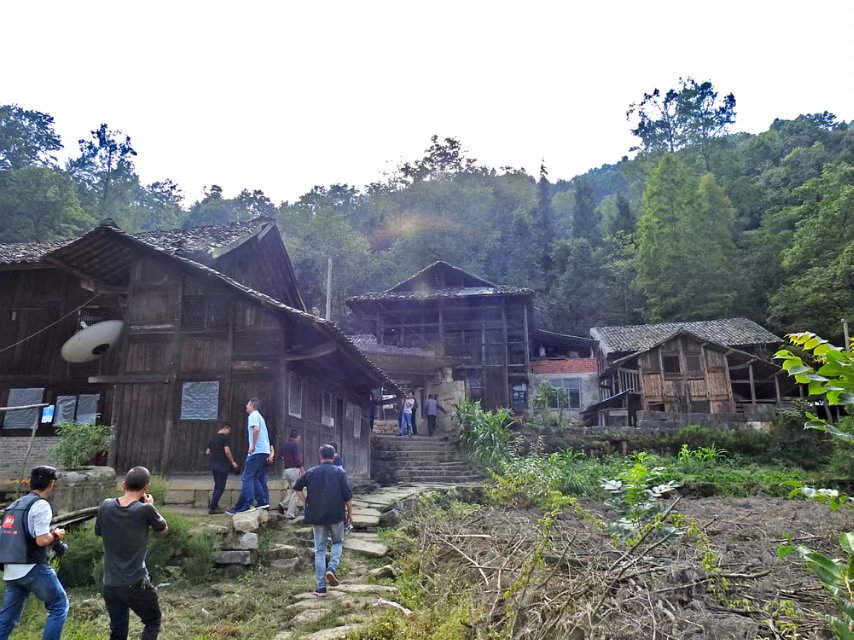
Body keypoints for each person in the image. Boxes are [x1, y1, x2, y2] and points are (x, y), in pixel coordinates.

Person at [95, 466, 168, 640]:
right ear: (146, 487)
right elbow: (163, 528)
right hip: (135, 581)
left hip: (110, 582)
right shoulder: (145, 510)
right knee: (152, 621)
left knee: (118, 631)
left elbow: (98, 531)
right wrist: (151, 506)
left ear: (123, 485)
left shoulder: (105, 506)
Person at [0, 466, 68, 640]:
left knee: (7, 619)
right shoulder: (41, 505)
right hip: (32, 566)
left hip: (11, 570)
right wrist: (56, 535)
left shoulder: (15, 505)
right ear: (51, 484)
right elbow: (41, 540)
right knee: (59, 605)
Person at [293, 445, 353, 597]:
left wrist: (305, 502)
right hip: (336, 514)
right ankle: (331, 569)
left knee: (319, 550)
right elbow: (347, 496)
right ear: (334, 457)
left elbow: (297, 488)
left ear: (320, 457)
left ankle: (321, 588)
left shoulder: (311, 472)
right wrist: (350, 513)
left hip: (317, 515)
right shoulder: (340, 472)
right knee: (337, 542)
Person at [227, 397, 271, 515]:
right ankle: (262, 501)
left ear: (252, 405)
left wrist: (252, 446)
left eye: (247, 405)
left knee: (247, 477)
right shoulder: (260, 416)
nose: (246, 407)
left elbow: (256, 429)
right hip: (264, 451)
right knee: (255, 476)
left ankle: (248, 504)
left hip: (257, 450)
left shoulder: (253, 416)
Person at [205, 423, 239, 514]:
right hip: (223, 465)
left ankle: (214, 505)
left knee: (217, 485)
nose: (229, 432)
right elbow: (227, 451)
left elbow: (207, 452)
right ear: (226, 428)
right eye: (229, 430)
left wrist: (214, 457)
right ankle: (212, 508)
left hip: (214, 465)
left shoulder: (212, 438)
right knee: (221, 487)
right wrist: (232, 462)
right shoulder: (224, 438)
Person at [277, 430, 305, 519]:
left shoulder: (285, 445)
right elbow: (297, 459)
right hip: (294, 470)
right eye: (299, 437)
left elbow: (280, 456)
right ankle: (290, 513)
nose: (299, 439)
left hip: (286, 470)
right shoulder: (295, 445)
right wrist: (302, 469)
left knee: (293, 491)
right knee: (297, 492)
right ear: (297, 437)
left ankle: (283, 504)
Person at [256, 444, 274, 510]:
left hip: (264, 460)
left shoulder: (266, 436)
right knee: (261, 481)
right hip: (262, 459)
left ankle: (264, 502)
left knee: (261, 481)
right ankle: (264, 502)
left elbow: (271, 448)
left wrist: (270, 457)